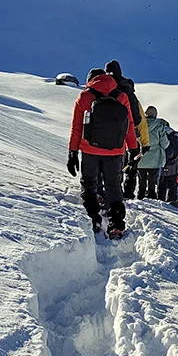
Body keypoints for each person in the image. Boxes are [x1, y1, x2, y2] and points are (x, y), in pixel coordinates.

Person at [67, 67, 138, 238]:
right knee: (114, 186)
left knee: (89, 184)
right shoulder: (121, 96)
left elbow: (77, 127)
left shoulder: (84, 97)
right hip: (115, 151)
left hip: (89, 150)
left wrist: (72, 153)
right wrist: (133, 148)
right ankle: (117, 225)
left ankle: (94, 219)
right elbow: (129, 125)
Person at [135, 105, 171, 199]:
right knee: (152, 180)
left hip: (141, 157)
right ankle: (151, 195)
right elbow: (165, 144)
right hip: (155, 159)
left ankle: (141, 195)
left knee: (141, 179)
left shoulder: (139, 125)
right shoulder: (159, 126)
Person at [158, 129, 178, 203]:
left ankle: (160, 200)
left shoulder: (159, 133)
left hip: (160, 163)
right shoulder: (177, 135)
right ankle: (172, 201)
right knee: (173, 184)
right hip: (174, 165)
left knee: (161, 184)